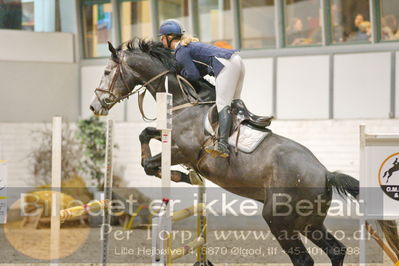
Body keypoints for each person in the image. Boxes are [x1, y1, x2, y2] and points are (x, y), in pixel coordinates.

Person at [159, 19, 245, 158]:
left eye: (162, 37)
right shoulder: (188, 46)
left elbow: (193, 75)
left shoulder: (180, 51)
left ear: (169, 38)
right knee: (234, 101)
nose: (161, 40)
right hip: (236, 60)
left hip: (226, 63)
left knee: (223, 104)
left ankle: (223, 144)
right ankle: (240, 133)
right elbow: (201, 69)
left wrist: (179, 72)